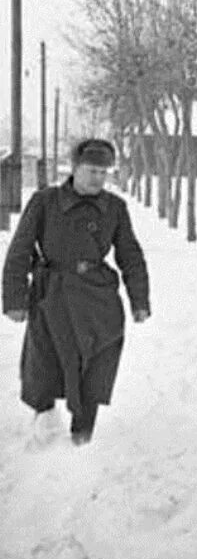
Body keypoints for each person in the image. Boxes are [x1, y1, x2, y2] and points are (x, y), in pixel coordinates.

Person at [2, 138, 150, 446]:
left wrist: (140, 300)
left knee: (97, 360)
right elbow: (19, 251)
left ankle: (83, 436)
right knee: (44, 362)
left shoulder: (114, 208)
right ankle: (44, 423)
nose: (99, 178)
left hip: (97, 298)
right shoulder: (45, 201)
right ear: (75, 169)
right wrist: (15, 299)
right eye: (92, 171)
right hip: (51, 295)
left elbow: (130, 255)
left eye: (104, 172)